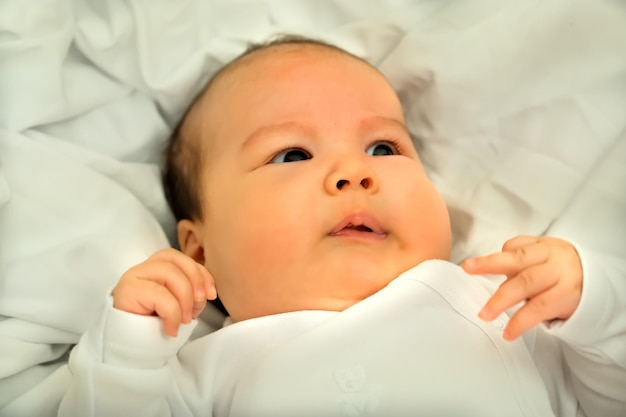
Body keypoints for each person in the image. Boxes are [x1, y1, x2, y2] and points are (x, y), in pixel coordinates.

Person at [59, 36, 626, 417]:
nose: (353, 172)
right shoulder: (201, 369)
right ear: (199, 251)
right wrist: (128, 351)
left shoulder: (497, 311)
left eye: (383, 147)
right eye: (291, 155)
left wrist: (589, 306)